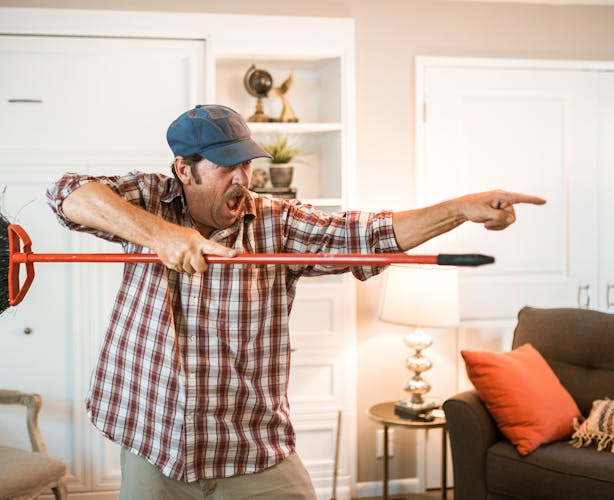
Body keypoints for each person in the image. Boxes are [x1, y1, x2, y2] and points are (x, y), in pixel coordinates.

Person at [47, 104, 545, 499]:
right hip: (155, 443)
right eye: (224, 167)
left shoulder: (275, 222)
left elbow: (365, 233)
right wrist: (160, 235)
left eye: (245, 163)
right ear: (184, 169)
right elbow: (66, 193)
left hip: (249, 447)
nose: (242, 178)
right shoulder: (150, 199)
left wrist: (458, 209)